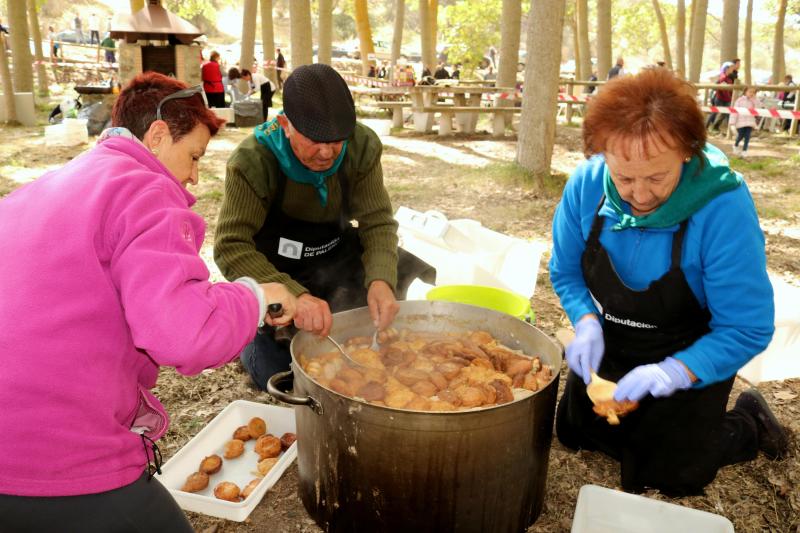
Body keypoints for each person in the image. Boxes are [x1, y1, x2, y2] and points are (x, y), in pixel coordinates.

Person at [0, 71, 297, 531]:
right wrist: (257, 297)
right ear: (157, 135)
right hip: (55, 448)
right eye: (194, 155)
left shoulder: (46, 186)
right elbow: (184, 334)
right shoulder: (143, 187)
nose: (194, 176)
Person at [550, 68, 787, 497]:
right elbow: (565, 271)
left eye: (656, 178)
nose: (638, 195)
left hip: (692, 351)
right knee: (575, 432)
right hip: (614, 338)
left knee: (674, 474)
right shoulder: (585, 185)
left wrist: (673, 372)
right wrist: (585, 321)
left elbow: (748, 326)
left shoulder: (723, 207)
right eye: (623, 178)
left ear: (686, 152)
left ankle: (749, 422)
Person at [214, 64, 435, 389]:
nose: (327, 152)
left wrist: (380, 280)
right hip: (276, 270)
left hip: (335, 258)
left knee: (384, 313)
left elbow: (377, 222)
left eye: (336, 140)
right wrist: (293, 295)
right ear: (286, 124)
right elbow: (231, 246)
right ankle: (253, 338)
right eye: (315, 140)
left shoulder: (361, 146)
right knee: (278, 373)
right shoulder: (252, 162)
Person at [730, 86, 758, 157]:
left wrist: (755, 100)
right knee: (740, 136)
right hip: (740, 122)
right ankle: (735, 145)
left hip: (750, 122)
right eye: (750, 92)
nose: (752, 93)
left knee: (747, 136)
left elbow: (758, 108)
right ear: (745, 92)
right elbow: (734, 111)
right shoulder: (739, 100)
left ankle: (745, 150)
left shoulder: (754, 100)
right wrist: (732, 122)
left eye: (753, 92)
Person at [706, 63, 734, 132]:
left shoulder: (729, 78)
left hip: (726, 99)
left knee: (725, 113)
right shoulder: (723, 77)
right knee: (715, 112)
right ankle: (706, 127)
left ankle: (716, 126)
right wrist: (729, 98)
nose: (732, 69)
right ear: (727, 69)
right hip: (720, 98)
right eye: (731, 68)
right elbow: (724, 90)